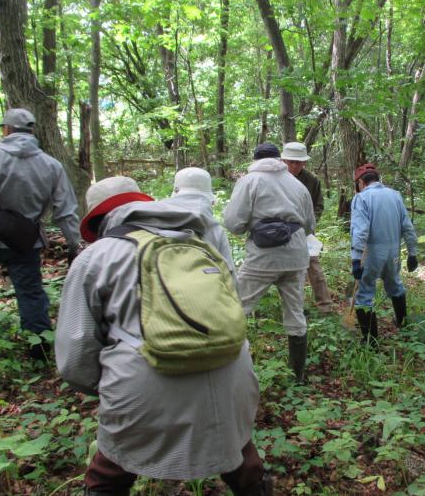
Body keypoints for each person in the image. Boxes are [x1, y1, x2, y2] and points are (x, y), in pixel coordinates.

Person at [55, 176, 270, 496]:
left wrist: (104, 388)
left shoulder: (95, 256)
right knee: (239, 454)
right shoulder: (201, 245)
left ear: (100, 220)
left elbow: (75, 351)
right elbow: (234, 311)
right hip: (234, 376)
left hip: (144, 386)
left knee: (110, 472)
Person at [0, 108, 81, 360]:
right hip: (26, 243)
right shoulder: (51, 165)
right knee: (31, 294)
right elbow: (66, 209)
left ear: (7, 130)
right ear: (32, 131)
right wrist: (73, 244)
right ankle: (40, 352)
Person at [223, 143, 316, 383]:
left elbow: (234, 223)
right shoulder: (297, 184)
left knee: (238, 307)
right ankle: (298, 376)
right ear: (280, 160)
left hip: (263, 258)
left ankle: (228, 368)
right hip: (296, 256)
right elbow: (310, 225)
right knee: (295, 312)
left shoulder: (249, 181)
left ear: (255, 159)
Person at [350, 163, 418, 346]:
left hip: (371, 253)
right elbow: (407, 226)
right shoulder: (395, 195)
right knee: (395, 285)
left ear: (361, 182)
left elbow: (360, 230)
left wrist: (356, 259)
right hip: (393, 253)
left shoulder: (361, 198)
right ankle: (404, 326)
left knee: (364, 293)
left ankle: (370, 341)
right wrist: (412, 252)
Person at [281, 142, 334, 314]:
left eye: (299, 162)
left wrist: (310, 223)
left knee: (313, 266)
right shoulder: (276, 178)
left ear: (304, 162)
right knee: (286, 269)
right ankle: (293, 306)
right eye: (291, 162)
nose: (295, 166)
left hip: (305, 232)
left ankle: (325, 306)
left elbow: (318, 205)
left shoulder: (311, 180)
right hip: (280, 232)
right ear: (284, 160)